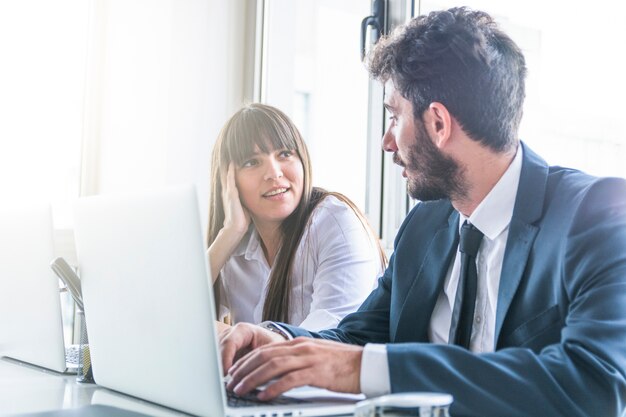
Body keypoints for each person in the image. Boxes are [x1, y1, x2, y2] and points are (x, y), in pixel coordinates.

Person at [219, 7, 626, 417]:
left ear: (438, 124)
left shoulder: (597, 216)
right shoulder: (425, 224)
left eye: (394, 117)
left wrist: (368, 369)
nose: (386, 142)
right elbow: (357, 338)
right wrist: (278, 343)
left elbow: (595, 384)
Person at [207, 103, 385, 332]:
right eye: (252, 162)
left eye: (284, 154)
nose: (274, 173)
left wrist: (223, 334)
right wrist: (228, 233)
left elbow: (323, 342)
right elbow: (172, 318)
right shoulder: (235, 244)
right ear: (228, 180)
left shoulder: (335, 223)